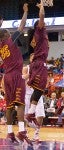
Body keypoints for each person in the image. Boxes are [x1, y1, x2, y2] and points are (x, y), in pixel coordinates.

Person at [0, 3, 32, 144]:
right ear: (6, 35)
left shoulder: (0, 46)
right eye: (7, 31)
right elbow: (22, 25)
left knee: (9, 106)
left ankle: (9, 133)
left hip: (6, 76)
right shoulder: (10, 40)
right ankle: (21, 131)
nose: (9, 32)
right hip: (15, 76)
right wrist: (25, 12)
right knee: (20, 105)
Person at [25, 1, 49, 128]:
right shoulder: (39, 31)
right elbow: (42, 17)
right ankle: (30, 113)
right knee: (40, 88)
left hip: (38, 63)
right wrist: (42, 7)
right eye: (43, 23)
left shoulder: (42, 34)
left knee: (38, 89)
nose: (45, 24)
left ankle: (30, 113)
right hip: (39, 63)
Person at [22, 53, 45, 142]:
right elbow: (23, 81)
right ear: (31, 60)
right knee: (26, 116)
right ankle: (25, 133)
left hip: (37, 93)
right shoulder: (26, 68)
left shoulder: (42, 68)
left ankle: (36, 134)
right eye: (33, 57)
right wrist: (32, 73)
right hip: (27, 95)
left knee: (40, 115)